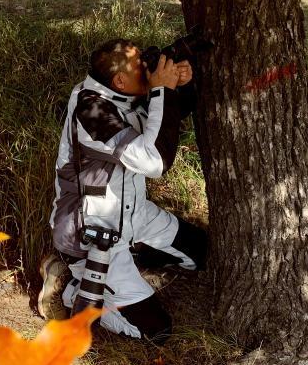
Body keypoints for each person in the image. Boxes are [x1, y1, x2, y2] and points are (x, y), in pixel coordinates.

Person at [38, 38, 208, 343]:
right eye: (139, 67)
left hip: (133, 214)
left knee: (201, 252)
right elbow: (154, 161)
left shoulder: (121, 93)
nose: (147, 69)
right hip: (93, 234)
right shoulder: (92, 111)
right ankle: (71, 287)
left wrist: (179, 87)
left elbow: (163, 118)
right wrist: (162, 90)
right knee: (156, 331)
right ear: (119, 80)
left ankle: (120, 276)